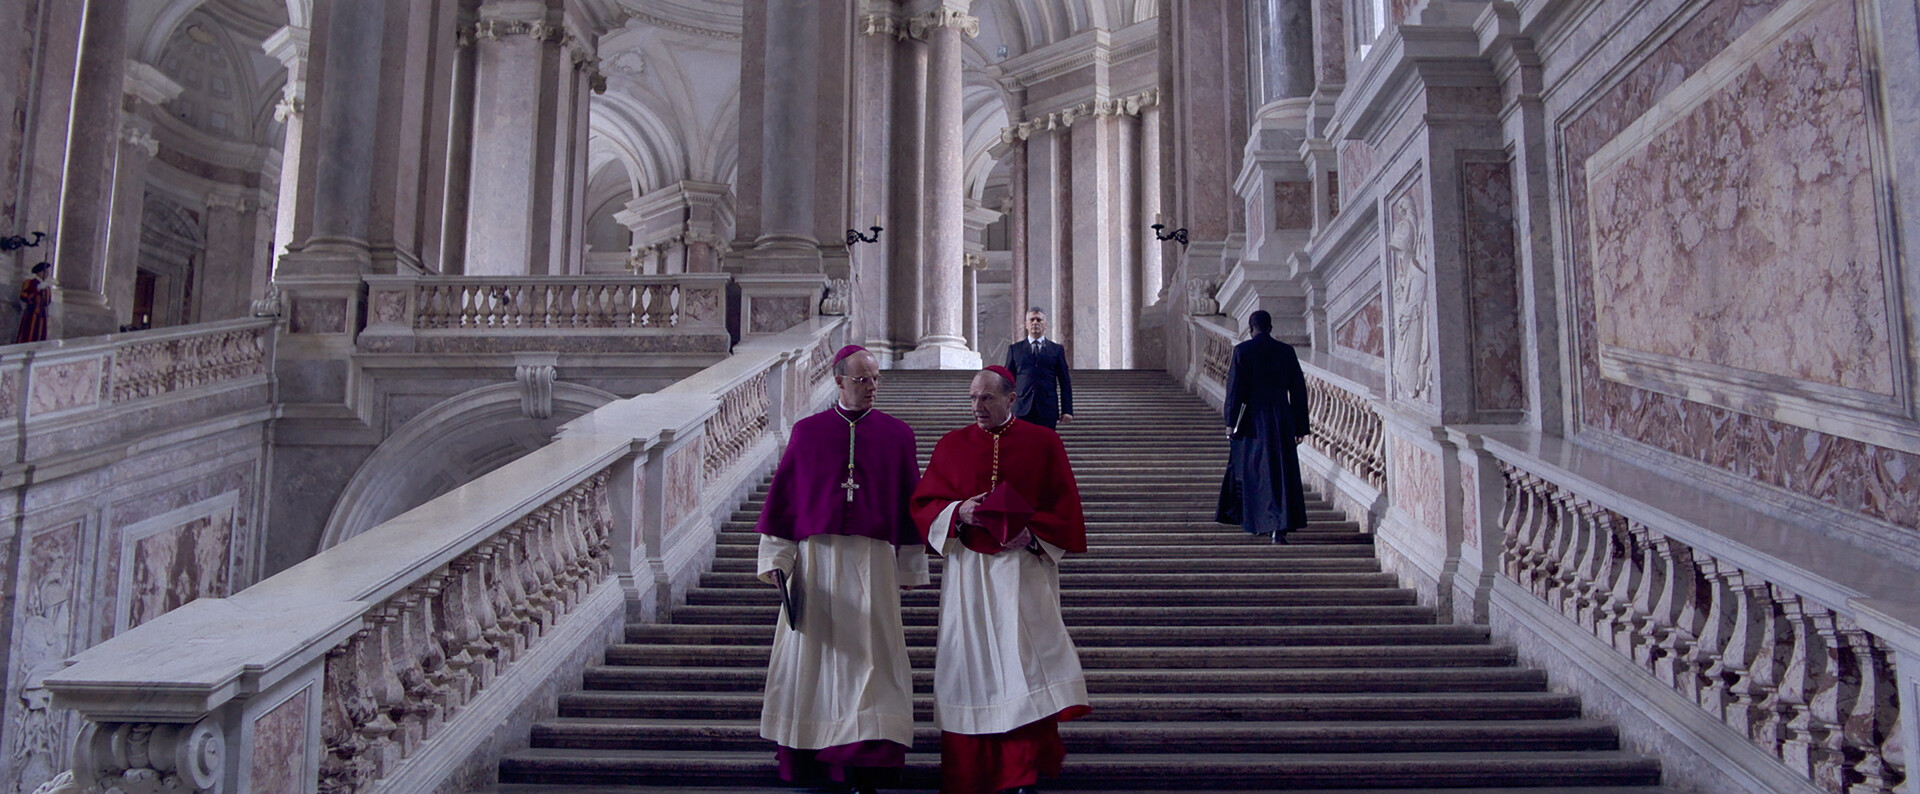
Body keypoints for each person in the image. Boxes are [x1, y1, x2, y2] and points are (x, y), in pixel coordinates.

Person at [755, 345, 929, 794]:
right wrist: (777, 559)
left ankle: (867, 762)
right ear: (838, 381)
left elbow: (909, 502)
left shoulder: (898, 435)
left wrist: (910, 566)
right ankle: (815, 757)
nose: (872, 387)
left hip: (874, 563)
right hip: (818, 563)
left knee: (874, 662)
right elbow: (786, 501)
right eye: (862, 380)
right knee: (815, 661)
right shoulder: (807, 433)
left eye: (875, 379)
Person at [911, 365, 1090, 794]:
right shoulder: (951, 444)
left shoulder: (1043, 442)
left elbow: (1066, 507)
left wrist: (1034, 534)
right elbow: (923, 503)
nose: (978, 406)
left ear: (1012, 398)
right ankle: (969, 772)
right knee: (969, 665)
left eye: (987, 398)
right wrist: (958, 511)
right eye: (973, 398)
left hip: (1024, 570)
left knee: (1025, 664)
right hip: (968, 574)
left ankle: (1022, 771)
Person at [1215, 310, 1311, 543]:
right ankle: (1280, 527)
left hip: (1253, 421)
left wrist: (1230, 423)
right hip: (1282, 418)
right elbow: (1298, 390)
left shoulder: (1243, 351)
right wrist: (1300, 426)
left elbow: (1235, 390)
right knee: (1281, 471)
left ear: (1250, 329)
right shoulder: (1286, 351)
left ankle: (1261, 522)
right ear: (1270, 327)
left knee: (1257, 472)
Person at [1003, 308, 1073, 428]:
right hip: (1021, 407)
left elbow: (1064, 382)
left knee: (1045, 440)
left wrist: (1067, 410)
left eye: (1039, 320)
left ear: (1045, 325)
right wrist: (1004, 407)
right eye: (1032, 320)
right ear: (1026, 324)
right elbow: (1007, 381)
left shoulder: (1056, 350)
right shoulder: (1015, 349)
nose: (1035, 322)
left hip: (1047, 408)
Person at [15, 262, 51, 344]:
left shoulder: (46, 287)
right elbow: (23, 296)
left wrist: (44, 291)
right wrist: (36, 290)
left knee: (40, 332)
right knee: (28, 331)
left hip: (41, 313)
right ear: (38, 272)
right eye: (44, 272)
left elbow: (47, 301)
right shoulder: (29, 282)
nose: (46, 274)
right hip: (31, 311)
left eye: (47, 272)